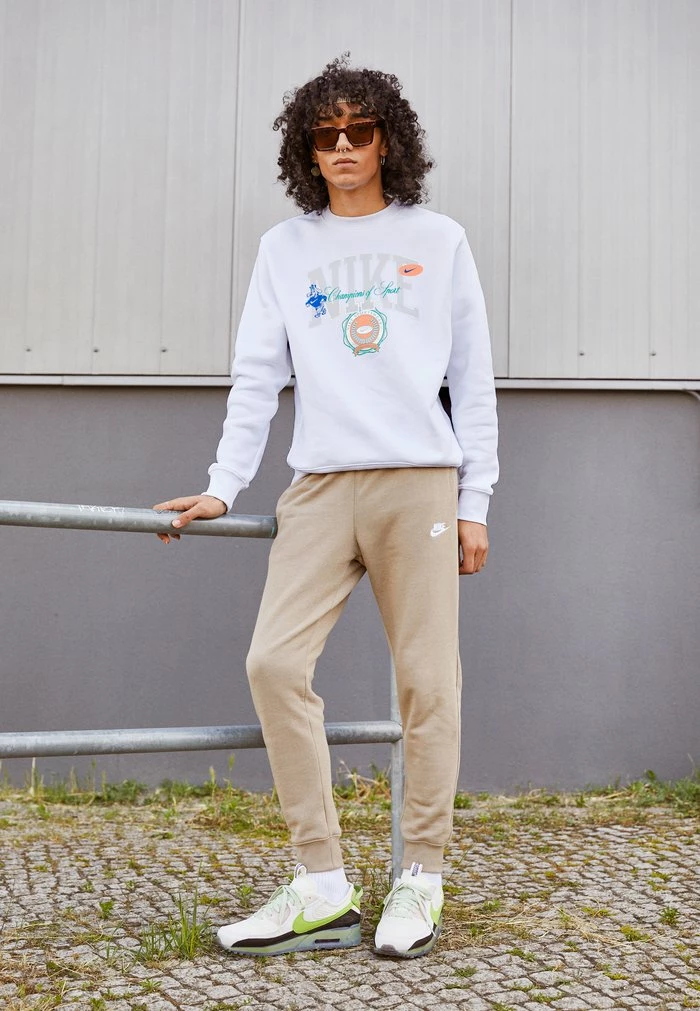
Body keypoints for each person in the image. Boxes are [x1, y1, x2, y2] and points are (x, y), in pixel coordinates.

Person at [152, 54, 498, 959]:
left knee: (428, 681)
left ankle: (420, 875)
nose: (343, 146)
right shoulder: (285, 248)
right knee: (273, 663)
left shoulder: (439, 239)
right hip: (317, 487)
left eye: (360, 130)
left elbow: (473, 379)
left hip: (418, 481)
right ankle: (322, 884)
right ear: (307, 148)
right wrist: (225, 482)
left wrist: (476, 499)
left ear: (388, 141)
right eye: (326, 133)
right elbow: (257, 376)